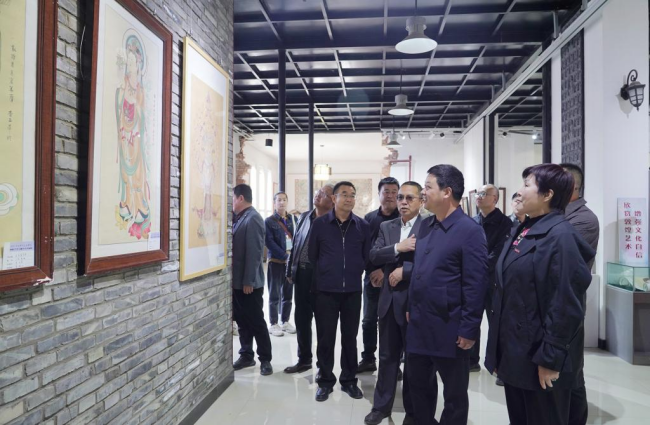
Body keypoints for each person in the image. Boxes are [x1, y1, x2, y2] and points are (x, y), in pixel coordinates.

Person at [485, 164, 596, 425]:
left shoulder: (561, 236)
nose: (519, 192)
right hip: (517, 352)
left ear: (547, 195)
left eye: (527, 185)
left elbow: (565, 305)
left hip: (540, 357)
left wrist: (550, 359)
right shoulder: (525, 228)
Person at [406, 165, 488, 425]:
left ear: (446, 192)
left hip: (450, 326)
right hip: (419, 323)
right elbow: (419, 270)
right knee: (418, 387)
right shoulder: (425, 225)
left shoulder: (469, 230)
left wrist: (469, 328)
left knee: (454, 395)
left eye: (428, 187)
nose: (423, 193)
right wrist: (410, 305)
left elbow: (476, 284)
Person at [364, 182, 422, 425]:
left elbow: (433, 262)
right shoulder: (387, 226)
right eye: (400, 198)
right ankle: (381, 407)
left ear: (421, 201)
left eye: (409, 198)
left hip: (413, 303)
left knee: (415, 360)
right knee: (387, 356)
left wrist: (405, 271)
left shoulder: (429, 226)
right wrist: (398, 247)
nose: (403, 202)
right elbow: (374, 254)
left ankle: (413, 410)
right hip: (388, 301)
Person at [309, 181, 371, 402]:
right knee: (325, 338)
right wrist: (325, 275)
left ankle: (349, 380)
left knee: (350, 338)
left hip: (352, 291)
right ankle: (325, 381)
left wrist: (354, 272)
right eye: (344, 194)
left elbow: (366, 256)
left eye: (352, 195)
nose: (349, 198)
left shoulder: (362, 226)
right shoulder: (320, 224)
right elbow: (313, 255)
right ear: (334, 198)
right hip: (325, 291)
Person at [560, 163, 600, 425]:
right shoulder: (557, 215)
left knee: (571, 371)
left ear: (571, 186)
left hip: (567, 305)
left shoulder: (584, 219)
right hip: (551, 305)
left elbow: (563, 262)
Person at [284, 185, 334, 374]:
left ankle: (324, 367)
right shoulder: (305, 217)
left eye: (323, 194)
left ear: (333, 200)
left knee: (323, 323)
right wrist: (290, 269)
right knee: (302, 319)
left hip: (323, 278)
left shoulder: (335, 221)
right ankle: (304, 359)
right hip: (302, 275)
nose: (318, 195)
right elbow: (295, 244)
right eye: (318, 192)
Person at [469, 184, 513, 372]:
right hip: (473, 280)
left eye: (484, 194)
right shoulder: (472, 221)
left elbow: (499, 251)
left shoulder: (505, 223)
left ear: (495, 198)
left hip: (494, 280)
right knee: (472, 320)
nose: (479, 196)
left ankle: (497, 365)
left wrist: (477, 265)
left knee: (497, 324)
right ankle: (471, 361)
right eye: (478, 193)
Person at [359, 177, 400, 373]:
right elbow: (364, 249)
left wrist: (385, 271)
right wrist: (371, 272)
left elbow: (405, 251)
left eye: (394, 192)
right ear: (379, 194)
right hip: (372, 279)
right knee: (368, 320)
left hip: (395, 277)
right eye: (386, 191)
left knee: (392, 322)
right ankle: (368, 358)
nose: (390, 196)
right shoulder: (369, 219)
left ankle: (393, 363)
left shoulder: (404, 218)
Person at [231, 184, 273, 376]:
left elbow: (255, 253)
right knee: (242, 320)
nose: (232, 203)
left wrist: (248, 281)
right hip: (238, 282)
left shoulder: (253, 218)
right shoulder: (240, 217)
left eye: (233, 199)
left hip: (249, 283)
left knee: (256, 321)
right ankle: (246, 355)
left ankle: (265, 359)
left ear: (241, 198)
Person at [264, 192, 297, 337]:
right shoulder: (269, 221)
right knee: (274, 294)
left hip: (290, 263)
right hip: (276, 262)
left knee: (288, 294)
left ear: (287, 202)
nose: (282, 202)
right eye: (279, 200)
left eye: (284, 200)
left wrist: (293, 257)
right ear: (274, 203)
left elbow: (297, 238)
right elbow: (269, 242)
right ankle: (273, 323)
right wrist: (285, 256)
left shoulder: (293, 219)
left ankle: (285, 321)